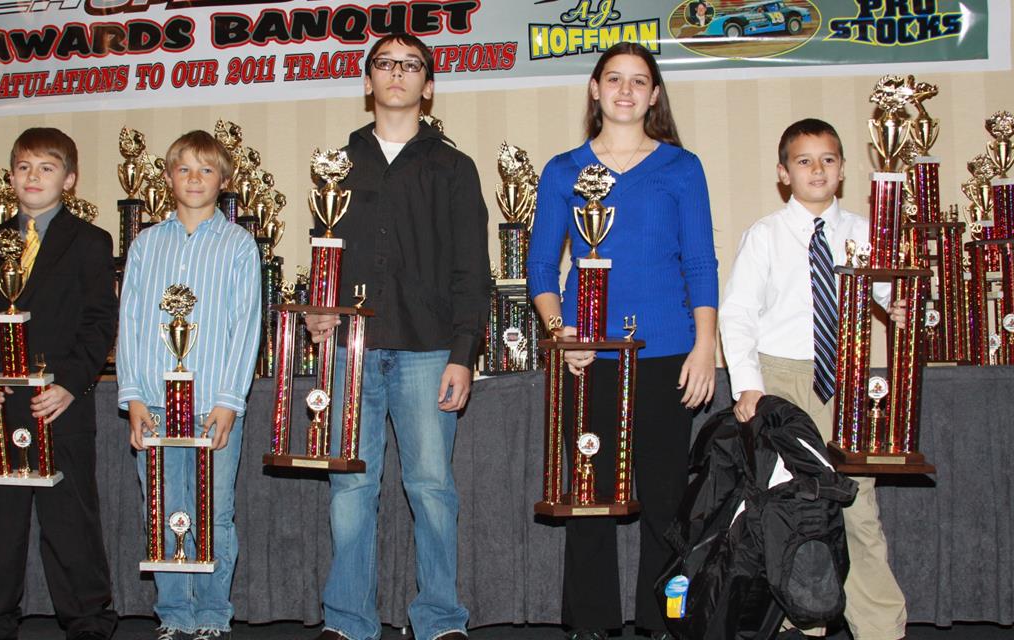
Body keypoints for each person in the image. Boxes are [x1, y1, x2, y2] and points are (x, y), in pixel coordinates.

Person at [526, 42, 719, 640]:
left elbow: (700, 263)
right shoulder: (564, 170)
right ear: (595, 88)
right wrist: (563, 335)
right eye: (614, 78)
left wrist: (706, 345)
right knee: (590, 499)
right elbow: (539, 267)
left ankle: (665, 623)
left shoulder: (682, 167)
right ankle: (591, 624)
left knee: (665, 503)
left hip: (666, 354)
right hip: (588, 360)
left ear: (655, 95)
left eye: (640, 81)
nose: (626, 90)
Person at [304, 32, 489, 640]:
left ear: (428, 86)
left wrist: (464, 354)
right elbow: (324, 258)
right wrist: (317, 309)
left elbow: (472, 272)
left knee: (432, 490)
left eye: (411, 66)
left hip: (429, 349)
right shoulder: (336, 165)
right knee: (349, 491)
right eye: (385, 64)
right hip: (349, 353)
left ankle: (439, 619)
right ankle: (349, 621)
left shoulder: (454, 169)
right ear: (368, 81)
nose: (398, 74)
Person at [719, 117, 908, 640]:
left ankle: (880, 626)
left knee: (857, 503)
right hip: (783, 383)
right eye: (804, 161)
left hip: (847, 382)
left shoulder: (866, 234)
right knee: (790, 506)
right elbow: (738, 314)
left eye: (827, 159)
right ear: (784, 174)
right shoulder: (765, 236)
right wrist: (749, 386)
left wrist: (904, 294)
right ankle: (797, 618)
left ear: (843, 169)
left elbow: (891, 299)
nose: (817, 169)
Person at [0, 127, 119, 640]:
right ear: (11, 177)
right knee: (0, 518)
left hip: (60, 401)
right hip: (2, 402)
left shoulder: (91, 242)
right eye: (25, 167)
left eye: (47, 168)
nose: (34, 176)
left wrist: (71, 383)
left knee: (70, 515)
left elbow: (99, 321)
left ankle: (89, 619)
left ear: (69, 180)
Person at [117, 130, 261, 640]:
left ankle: (213, 614)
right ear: (168, 177)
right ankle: (174, 613)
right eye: (184, 169)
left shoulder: (240, 245)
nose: (195, 179)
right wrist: (132, 396)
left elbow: (246, 327)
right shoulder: (145, 245)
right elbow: (130, 324)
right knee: (163, 509)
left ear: (224, 180)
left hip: (212, 408)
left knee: (214, 513)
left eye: (206, 170)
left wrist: (228, 402)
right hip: (155, 404)